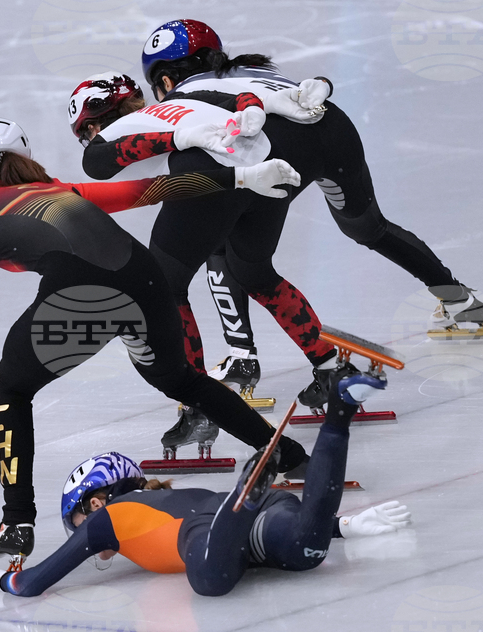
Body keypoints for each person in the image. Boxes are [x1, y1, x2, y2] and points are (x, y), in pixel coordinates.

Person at [0, 117, 311, 570]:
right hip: (144, 279)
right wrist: (241, 177)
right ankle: (287, 455)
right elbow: (146, 191)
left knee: (13, 386)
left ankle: (16, 523)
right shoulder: (57, 191)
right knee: (181, 380)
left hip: (85, 294)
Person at [137, 18, 483, 405]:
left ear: (166, 80)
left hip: (262, 148)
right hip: (328, 128)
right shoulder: (248, 68)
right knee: (369, 228)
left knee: (218, 259)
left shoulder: (181, 99)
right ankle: (460, 301)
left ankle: (223, 378)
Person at [68, 70, 339, 458]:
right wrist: (259, 106)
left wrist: (180, 140)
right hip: (266, 169)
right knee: (256, 274)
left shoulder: (117, 131)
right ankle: (331, 370)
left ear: (96, 122)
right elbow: (243, 97)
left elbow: (96, 162)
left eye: (87, 129)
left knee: (165, 288)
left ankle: (199, 410)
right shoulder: (185, 99)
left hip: (211, 181)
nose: (89, 136)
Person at [0, 366, 411, 597]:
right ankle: (339, 410)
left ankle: (244, 496)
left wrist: (2, 582)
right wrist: (342, 527)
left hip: (212, 537)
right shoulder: (178, 496)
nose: (78, 530)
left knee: (210, 581)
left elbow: (33, 582)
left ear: (95, 503)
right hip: (263, 516)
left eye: (75, 519)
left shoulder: (107, 521)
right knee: (307, 550)